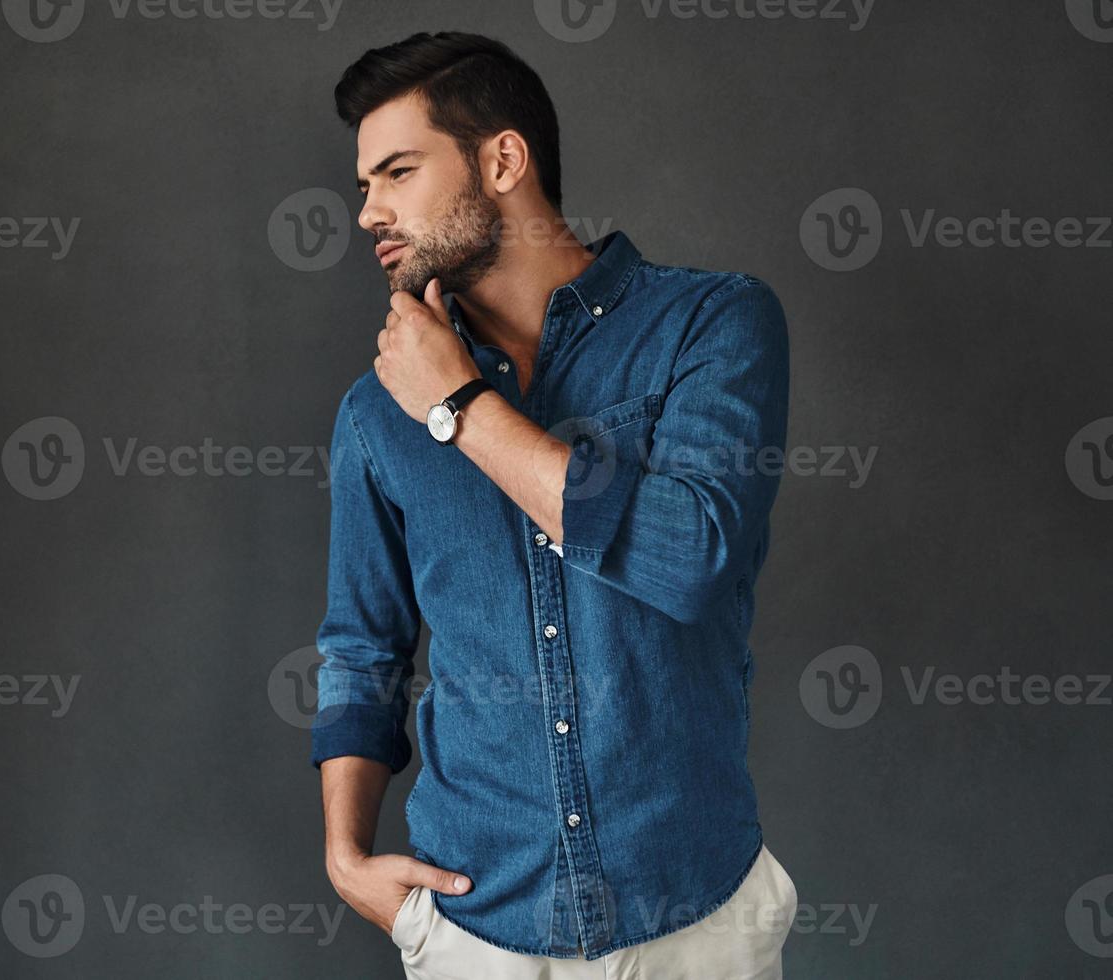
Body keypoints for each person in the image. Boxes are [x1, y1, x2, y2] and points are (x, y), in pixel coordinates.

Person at [311, 31, 797, 979]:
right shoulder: (377, 412)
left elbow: (689, 556)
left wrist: (460, 408)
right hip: (473, 932)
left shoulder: (713, 324)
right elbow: (360, 649)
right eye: (364, 184)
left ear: (502, 159)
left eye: (398, 172)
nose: (368, 212)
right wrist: (345, 858)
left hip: (698, 923)